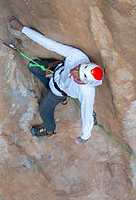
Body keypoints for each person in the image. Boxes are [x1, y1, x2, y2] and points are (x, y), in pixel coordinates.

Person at [8, 16, 103, 144]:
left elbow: (86, 115)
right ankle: (59, 94)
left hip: (59, 91)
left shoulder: (87, 92)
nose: (74, 70)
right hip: (56, 71)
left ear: (84, 82)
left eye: (77, 75)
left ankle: (50, 130)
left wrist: (84, 136)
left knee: (43, 111)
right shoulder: (78, 56)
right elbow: (49, 43)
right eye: (78, 67)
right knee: (33, 66)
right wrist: (21, 28)